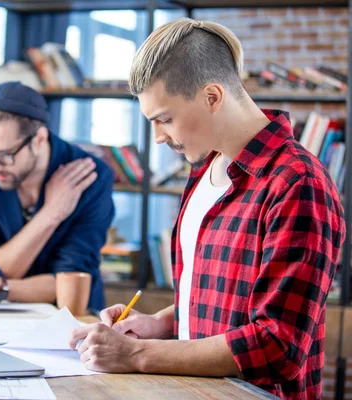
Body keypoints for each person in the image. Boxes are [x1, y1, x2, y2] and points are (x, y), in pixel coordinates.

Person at [69, 18, 345, 400]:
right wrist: (157, 325)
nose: (159, 137)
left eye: (165, 119)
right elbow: (216, 298)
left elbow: (278, 345)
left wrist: (137, 354)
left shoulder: (298, 184)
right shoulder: (204, 166)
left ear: (213, 97)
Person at [0, 82, 114, 311]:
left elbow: (72, 279)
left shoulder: (91, 176)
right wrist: (50, 214)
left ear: (39, 139)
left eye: (5, 155)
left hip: (70, 315)